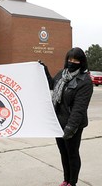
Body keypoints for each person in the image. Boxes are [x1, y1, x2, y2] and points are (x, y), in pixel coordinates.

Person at [41, 47, 93, 186]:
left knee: (72, 154)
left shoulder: (85, 81)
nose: (72, 62)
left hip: (73, 125)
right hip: (58, 122)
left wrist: (70, 128)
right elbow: (52, 85)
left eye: (76, 59)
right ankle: (66, 180)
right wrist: (44, 70)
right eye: (70, 59)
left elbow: (79, 108)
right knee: (63, 153)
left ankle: (73, 182)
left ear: (81, 62)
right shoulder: (62, 74)